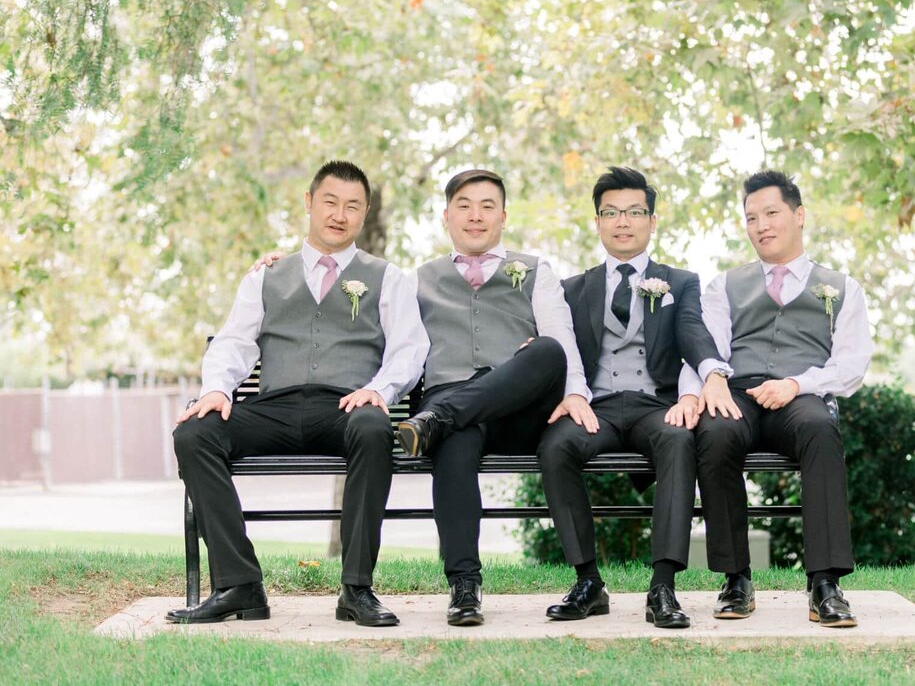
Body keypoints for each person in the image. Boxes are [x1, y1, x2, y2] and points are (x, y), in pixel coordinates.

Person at [170, 161, 429, 627]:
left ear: (364, 213)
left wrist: (379, 390)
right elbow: (234, 342)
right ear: (310, 203)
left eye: (352, 206)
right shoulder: (266, 275)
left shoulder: (389, 277)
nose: (339, 214)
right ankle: (239, 584)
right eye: (330, 202)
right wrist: (216, 390)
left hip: (345, 408)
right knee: (194, 433)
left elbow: (410, 349)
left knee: (374, 426)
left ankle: (356, 588)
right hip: (276, 407)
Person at [395, 168, 594, 627]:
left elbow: (561, 339)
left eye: (487, 206)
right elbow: (404, 352)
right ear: (447, 216)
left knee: (546, 349)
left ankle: (436, 420)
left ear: (503, 216)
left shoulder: (534, 269)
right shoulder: (418, 279)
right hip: (457, 405)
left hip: (520, 407)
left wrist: (576, 393)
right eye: (464, 205)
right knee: (455, 442)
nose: (476, 216)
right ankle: (465, 587)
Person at [539, 166, 735, 629]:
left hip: (655, 404)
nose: (622, 221)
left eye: (633, 212)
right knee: (555, 446)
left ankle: (662, 586)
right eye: (611, 212)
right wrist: (567, 388)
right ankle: (588, 582)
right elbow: (558, 343)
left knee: (679, 440)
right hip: (596, 405)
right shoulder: (573, 288)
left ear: (651, 221)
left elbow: (692, 331)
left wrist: (710, 375)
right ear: (598, 222)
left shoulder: (680, 281)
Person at [690, 170, 873, 628]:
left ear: (799, 215)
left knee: (819, 429)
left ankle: (825, 583)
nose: (761, 226)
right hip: (740, 391)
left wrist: (797, 384)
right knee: (715, 433)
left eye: (771, 213)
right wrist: (710, 381)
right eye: (751, 218)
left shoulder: (843, 288)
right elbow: (707, 347)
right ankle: (736, 578)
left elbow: (852, 366)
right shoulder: (723, 286)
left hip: (802, 393)